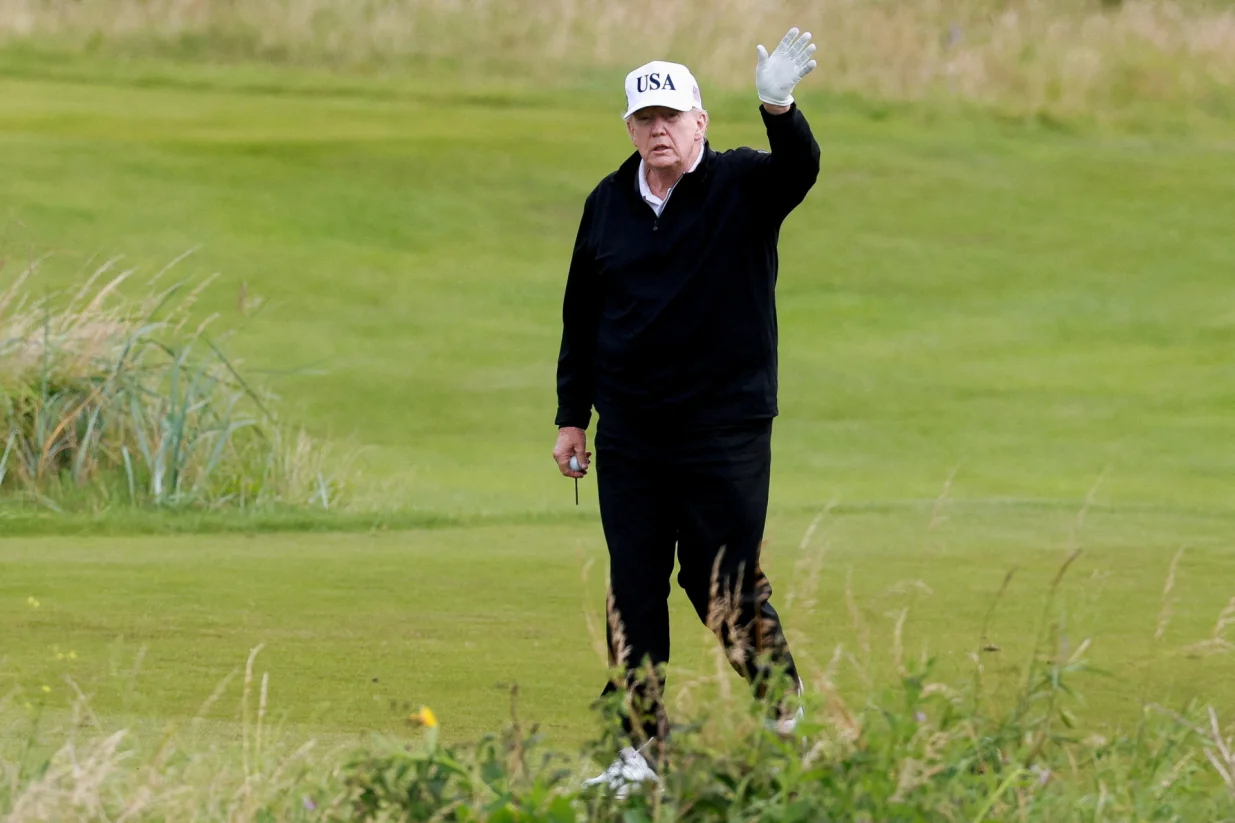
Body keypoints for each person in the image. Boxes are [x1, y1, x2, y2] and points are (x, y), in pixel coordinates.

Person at [552, 26, 821, 795]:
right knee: (633, 584)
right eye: (645, 119)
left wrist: (777, 104)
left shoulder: (743, 184)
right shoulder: (608, 203)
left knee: (720, 581)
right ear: (631, 128)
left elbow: (800, 169)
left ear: (700, 120)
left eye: (672, 115)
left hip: (724, 428)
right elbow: (582, 317)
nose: (659, 129)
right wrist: (573, 416)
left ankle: (779, 705)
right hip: (633, 430)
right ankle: (642, 747)